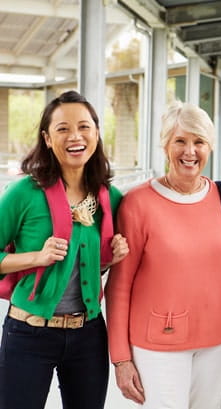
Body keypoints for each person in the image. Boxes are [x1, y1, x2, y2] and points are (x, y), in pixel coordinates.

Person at [105, 101, 221, 409]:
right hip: (158, 343)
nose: (190, 151)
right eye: (180, 141)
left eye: (199, 142)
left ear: (209, 147)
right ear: (165, 145)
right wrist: (120, 358)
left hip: (217, 339)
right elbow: (119, 285)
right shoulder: (137, 203)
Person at [0, 90, 129, 409]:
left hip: (88, 334)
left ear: (97, 133)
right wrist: (37, 257)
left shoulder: (109, 199)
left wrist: (113, 257)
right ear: (47, 138)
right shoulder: (24, 193)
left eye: (84, 126)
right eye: (63, 128)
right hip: (29, 333)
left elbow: (90, 269)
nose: (75, 136)